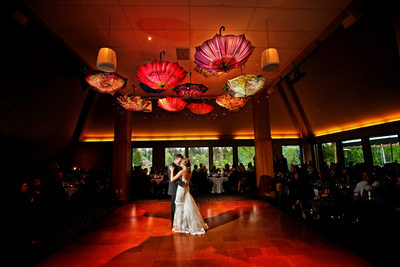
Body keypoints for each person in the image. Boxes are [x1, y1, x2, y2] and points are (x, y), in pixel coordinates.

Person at [169, 158, 208, 235]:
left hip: (181, 190)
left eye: (182, 163)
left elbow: (172, 179)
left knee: (180, 206)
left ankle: (180, 226)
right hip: (186, 189)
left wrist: (172, 170)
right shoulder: (190, 172)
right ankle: (186, 224)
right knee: (186, 205)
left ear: (183, 164)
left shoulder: (182, 171)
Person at [167, 154, 185, 227]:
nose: (180, 163)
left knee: (179, 206)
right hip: (174, 189)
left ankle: (178, 221)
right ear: (175, 159)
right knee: (174, 207)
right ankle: (173, 224)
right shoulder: (171, 166)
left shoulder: (179, 167)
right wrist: (183, 183)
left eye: (181, 161)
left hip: (179, 189)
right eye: (179, 161)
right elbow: (172, 179)